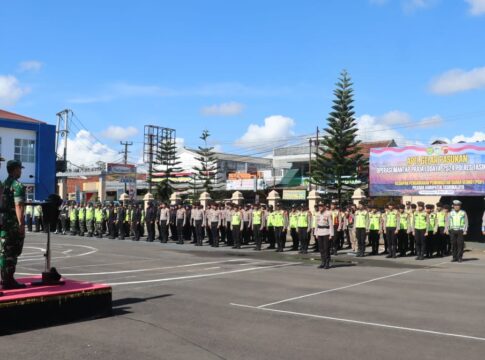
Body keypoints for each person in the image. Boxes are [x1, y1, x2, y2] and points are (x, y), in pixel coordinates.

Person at [0, 160, 27, 289]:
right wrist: (21, 224)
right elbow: (18, 205)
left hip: (3, 221)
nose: (21, 171)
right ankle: (9, 280)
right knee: (13, 251)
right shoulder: (17, 186)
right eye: (19, 169)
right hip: (12, 223)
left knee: (4, 251)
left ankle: (4, 279)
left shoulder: (3, 184)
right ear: (15, 169)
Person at [315, 202, 334, 269]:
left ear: (324, 206)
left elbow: (331, 224)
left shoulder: (328, 213)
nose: (319, 207)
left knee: (326, 249)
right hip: (319, 232)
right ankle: (323, 262)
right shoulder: (317, 214)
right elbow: (316, 224)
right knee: (321, 249)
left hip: (326, 232)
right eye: (319, 206)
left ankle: (327, 263)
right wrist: (316, 233)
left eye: (321, 206)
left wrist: (331, 234)